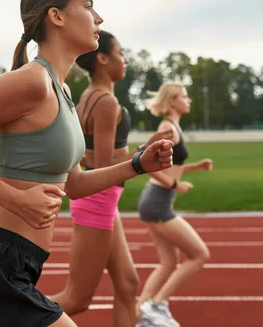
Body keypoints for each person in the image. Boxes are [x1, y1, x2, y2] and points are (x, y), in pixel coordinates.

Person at [0, 0, 175, 327]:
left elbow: (73, 185)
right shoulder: (30, 82)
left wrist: (137, 164)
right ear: (56, 16)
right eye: (88, 6)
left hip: (18, 267)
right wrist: (15, 199)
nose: (99, 17)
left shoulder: (63, 92)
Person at [49, 31, 173, 327]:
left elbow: (90, 158)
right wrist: (144, 153)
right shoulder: (105, 102)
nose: (125, 59)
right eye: (120, 53)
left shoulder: (88, 96)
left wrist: (141, 150)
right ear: (103, 58)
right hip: (98, 200)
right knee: (77, 298)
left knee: (128, 284)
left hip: (102, 201)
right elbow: (102, 166)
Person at [134, 82, 213, 327]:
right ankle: (156, 305)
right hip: (158, 203)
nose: (188, 100)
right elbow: (143, 163)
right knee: (199, 254)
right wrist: (173, 185)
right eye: (184, 96)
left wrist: (195, 167)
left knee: (169, 262)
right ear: (172, 102)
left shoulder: (173, 127)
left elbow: (170, 167)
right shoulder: (168, 129)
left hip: (155, 201)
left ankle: (141, 314)